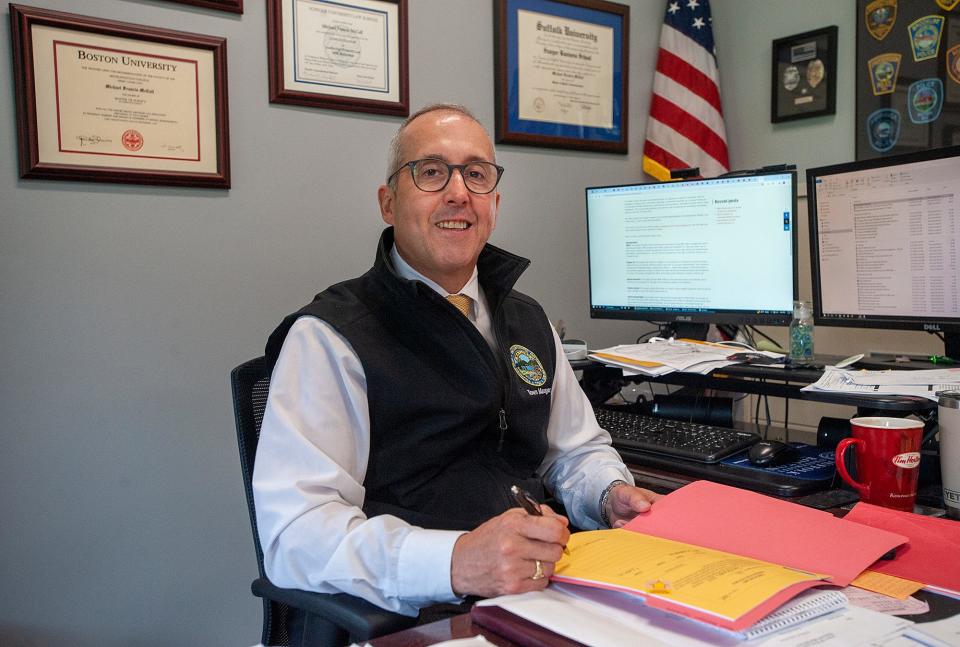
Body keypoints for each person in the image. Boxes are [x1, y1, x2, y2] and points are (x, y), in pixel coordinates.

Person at [252, 103, 660, 621]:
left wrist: (607, 493)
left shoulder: (527, 320)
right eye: (431, 172)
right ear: (388, 202)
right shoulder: (331, 337)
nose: (458, 192)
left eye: (476, 174)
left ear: (494, 202)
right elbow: (297, 534)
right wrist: (455, 562)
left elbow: (574, 450)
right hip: (420, 612)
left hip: (546, 590)